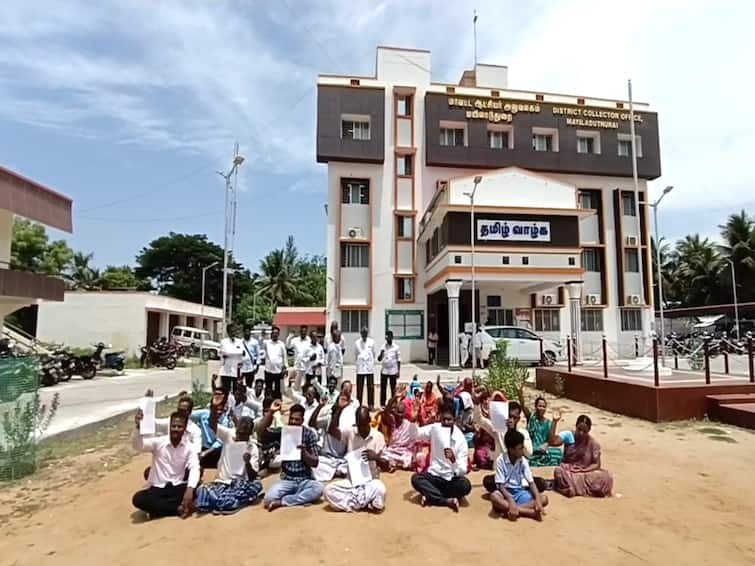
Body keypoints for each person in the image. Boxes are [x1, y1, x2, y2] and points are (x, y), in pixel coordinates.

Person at [132, 410, 199, 519]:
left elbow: (194, 467)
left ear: (185, 428)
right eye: (173, 426)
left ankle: (158, 509)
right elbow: (138, 446)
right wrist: (138, 429)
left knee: (197, 488)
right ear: (169, 426)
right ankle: (177, 509)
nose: (176, 429)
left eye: (179, 426)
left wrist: (189, 490)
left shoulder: (189, 447)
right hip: (158, 487)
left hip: (177, 486)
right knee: (138, 499)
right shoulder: (158, 443)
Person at [324, 401, 389, 512]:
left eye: (363, 425)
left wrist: (376, 458)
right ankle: (361, 503)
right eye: (358, 425)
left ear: (369, 421)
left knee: (381, 489)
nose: (361, 428)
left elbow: (387, 466)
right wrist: (339, 410)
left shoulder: (378, 437)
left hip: (370, 482)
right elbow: (332, 431)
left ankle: (354, 502)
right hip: (351, 482)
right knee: (328, 490)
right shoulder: (350, 432)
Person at [194, 416, 264, 514]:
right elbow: (212, 424)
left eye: (244, 434)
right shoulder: (228, 435)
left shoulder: (252, 448)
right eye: (239, 433)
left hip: (238, 485)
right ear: (236, 430)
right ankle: (226, 502)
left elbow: (253, 476)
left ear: (250, 434)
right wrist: (214, 408)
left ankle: (220, 501)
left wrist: (247, 463)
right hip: (221, 483)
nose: (240, 436)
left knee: (256, 485)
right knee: (202, 490)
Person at [410, 403, 471, 512]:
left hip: (450, 479)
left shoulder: (460, 440)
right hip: (434, 476)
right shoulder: (435, 428)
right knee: (416, 479)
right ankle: (445, 501)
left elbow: (463, 470)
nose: (446, 423)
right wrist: (413, 418)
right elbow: (415, 434)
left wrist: (453, 461)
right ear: (440, 419)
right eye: (444, 420)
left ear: (455, 420)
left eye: (449, 420)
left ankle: (431, 495)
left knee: (465, 486)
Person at [263, 402, 323, 511]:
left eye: (297, 419)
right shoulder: (283, 432)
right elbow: (264, 431)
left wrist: (304, 452)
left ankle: (283, 501)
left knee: (318, 489)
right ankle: (298, 498)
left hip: (305, 479)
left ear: (302, 420)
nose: (294, 422)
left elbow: (315, 462)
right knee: (268, 499)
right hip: (287, 479)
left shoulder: (309, 434)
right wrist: (271, 412)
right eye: (292, 419)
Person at [549, 413, 613, 498]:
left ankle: (571, 488)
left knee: (605, 477)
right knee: (559, 472)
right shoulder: (569, 435)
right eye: (579, 429)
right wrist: (554, 422)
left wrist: (583, 470)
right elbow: (553, 442)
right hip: (569, 471)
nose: (581, 433)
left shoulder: (593, 443)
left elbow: (596, 464)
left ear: (589, 430)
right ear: (575, 426)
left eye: (584, 431)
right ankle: (573, 488)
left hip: (585, 473)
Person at [489, 429, 548, 521]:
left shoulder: (523, 460)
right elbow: (500, 485)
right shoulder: (501, 460)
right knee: (494, 497)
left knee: (543, 498)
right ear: (511, 449)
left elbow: (531, 482)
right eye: (520, 448)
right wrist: (510, 500)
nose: (522, 451)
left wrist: (537, 499)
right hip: (505, 492)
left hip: (520, 492)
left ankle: (515, 510)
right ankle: (529, 513)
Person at [481, 400, 533, 493]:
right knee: (488, 481)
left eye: (514, 417)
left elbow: (529, 453)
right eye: (509, 416)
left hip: (518, 475)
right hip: (503, 475)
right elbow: (480, 420)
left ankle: (512, 490)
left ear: (518, 418)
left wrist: (514, 432)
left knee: (540, 483)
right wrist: (477, 404)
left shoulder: (523, 433)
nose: (511, 419)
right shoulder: (498, 430)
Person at [519, 390, 563, 467]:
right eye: (540, 406)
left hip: (543, 449)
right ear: (535, 407)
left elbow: (550, 439)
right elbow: (523, 407)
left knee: (559, 452)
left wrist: (554, 422)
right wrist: (520, 395)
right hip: (532, 448)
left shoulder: (548, 422)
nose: (542, 408)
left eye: (544, 406)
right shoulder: (531, 418)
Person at [191, 387, 231, 469]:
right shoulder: (203, 414)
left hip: (216, 451)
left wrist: (206, 453)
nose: (218, 412)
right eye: (216, 409)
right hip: (202, 448)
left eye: (221, 409)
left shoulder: (225, 421)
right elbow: (189, 415)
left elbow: (220, 441)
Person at [310, 396, 348, 481]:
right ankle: (334, 472)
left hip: (339, 458)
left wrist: (340, 409)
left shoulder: (346, 422)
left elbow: (333, 429)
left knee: (348, 464)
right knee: (314, 464)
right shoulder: (327, 419)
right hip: (325, 457)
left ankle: (333, 471)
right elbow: (312, 423)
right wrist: (319, 406)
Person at [381, 393, 419, 471]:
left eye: (402, 412)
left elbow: (415, 441)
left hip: (404, 452)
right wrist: (395, 397)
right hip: (391, 451)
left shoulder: (407, 424)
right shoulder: (392, 421)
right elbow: (386, 412)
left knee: (410, 460)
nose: (400, 415)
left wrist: (417, 410)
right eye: (398, 412)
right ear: (395, 411)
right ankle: (395, 464)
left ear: (405, 412)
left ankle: (396, 465)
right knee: (383, 459)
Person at [219, 324, 245, 394]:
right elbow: (224, 353)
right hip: (226, 371)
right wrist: (235, 353)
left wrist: (230, 354)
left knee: (236, 391)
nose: (233, 333)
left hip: (236, 371)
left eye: (234, 331)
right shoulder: (224, 341)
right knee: (225, 391)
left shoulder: (240, 341)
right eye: (231, 331)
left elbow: (242, 353)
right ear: (228, 332)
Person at [354, 326, 376, 409]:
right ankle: (358, 404)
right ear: (360, 334)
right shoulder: (357, 343)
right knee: (359, 387)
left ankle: (371, 405)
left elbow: (373, 353)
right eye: (363, 333)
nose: (364, 335)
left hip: (369, 368)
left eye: (365, 333)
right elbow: (356, 355)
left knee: (370, 387)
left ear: (367, 333)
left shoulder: (372, 342)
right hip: (360, 368)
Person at [263, 325, 287, 400]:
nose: (275, 334)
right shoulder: (267, 343)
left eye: (276, 333)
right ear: (271, 334)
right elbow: (261, 343)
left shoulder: (281, 344)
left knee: (278, 389)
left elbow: (284, 356)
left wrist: (285, 367)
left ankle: (278, 403)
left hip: (278, 371)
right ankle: (267, 403)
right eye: (273, 333)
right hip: (268, 370)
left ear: (278, 334)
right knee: (268, 388)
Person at [378, 330, 401, 407]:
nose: (387, 338)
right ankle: (382, 404)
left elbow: (398, 360)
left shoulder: (396, 347)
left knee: (393, 388)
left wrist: (398, 371)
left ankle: (393, 403)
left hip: (393, 370)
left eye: (388, 336)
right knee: (383, 388)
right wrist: (381, 353)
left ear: (392, 337)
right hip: (384, 370)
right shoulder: (383, 347)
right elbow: (379, 359)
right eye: (386, 337)